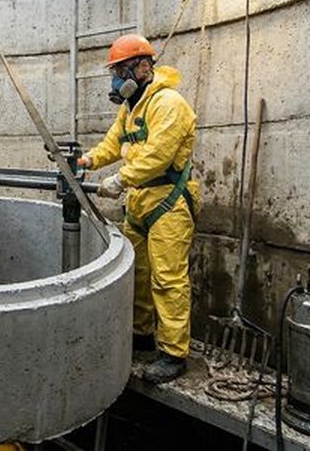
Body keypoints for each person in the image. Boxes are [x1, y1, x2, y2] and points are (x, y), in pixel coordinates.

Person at [78, 34, 200, 384]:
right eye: (115, 72)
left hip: (169, 202)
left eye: (121, 71)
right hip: (140, 202)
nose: (116, 80)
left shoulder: (169, 104)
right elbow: (113, 144)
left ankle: (174, 353)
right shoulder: (130, 108)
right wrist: (88, 160)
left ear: (143, 67)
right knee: (140, 274)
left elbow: (158, 155)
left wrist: (120, 180)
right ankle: (142, 333)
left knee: (168, 278)